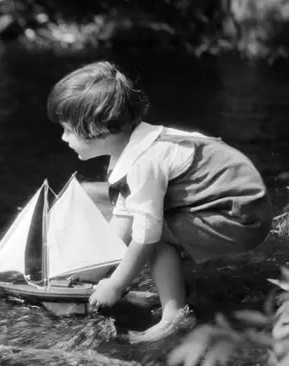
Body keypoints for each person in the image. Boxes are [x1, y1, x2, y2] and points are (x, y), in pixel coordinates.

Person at [47, 61, 273, 341]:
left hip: (241, 217)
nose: (63, 137)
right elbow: (122, 221)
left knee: (155, 237)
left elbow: (144, 236)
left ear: (97, 128)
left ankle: (175, 316)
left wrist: (116, 285)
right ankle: (162, 288)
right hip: (229, 205)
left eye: (68, 130)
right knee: (138, 222)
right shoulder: (128, 149)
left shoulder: (144, 162)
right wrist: (90, 277)